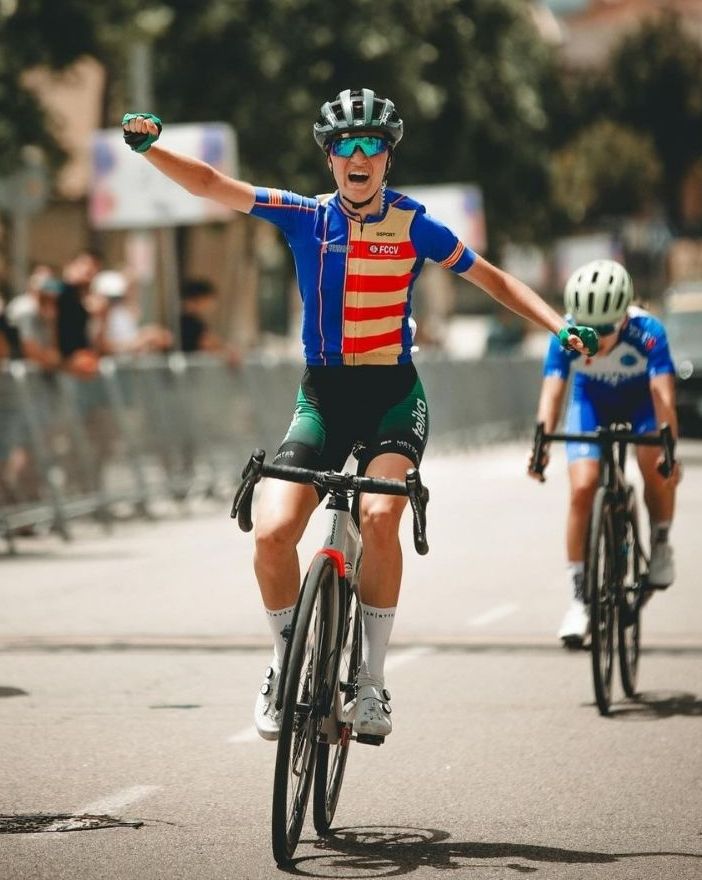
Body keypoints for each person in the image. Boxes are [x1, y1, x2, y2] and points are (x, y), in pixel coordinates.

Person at [122, 90, 597, 740]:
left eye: (373, 145)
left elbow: (493, 280)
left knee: (379, 516)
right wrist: (152, 149)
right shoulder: (305, 218)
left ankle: (371, 681)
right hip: (323, 398)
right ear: (330, 158)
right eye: (346, 145)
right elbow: (211, 184)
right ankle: (284, 664)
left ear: (387, 159)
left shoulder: (415, 226)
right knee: (271, 534)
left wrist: (558, 326)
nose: (359, 156)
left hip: (392, 398)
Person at [529, 259, 680, 647]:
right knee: (583, 487)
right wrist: (541, 445)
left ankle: (660, 542)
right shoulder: (564, 334)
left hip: (640, 405)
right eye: (588, 330)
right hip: (591, 404)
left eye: (606, 330)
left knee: (655, 464)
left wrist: (669, 452)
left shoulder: (649, 332)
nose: (597, 340)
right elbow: (552, 394)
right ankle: (580, 599)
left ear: (624, 318)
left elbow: (663, 398)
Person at [179, 277, 240, 365]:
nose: (211, 305)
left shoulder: (185, 320)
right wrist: (228, 351)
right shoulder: (190, 322)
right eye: (209, 300)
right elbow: (208, 343)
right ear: (199, 299)